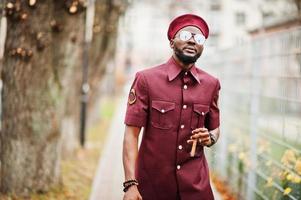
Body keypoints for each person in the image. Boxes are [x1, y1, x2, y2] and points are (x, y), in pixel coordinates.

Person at [122, 14, 221, 200]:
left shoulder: (212, 84)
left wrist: (209, 138)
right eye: (185, 36)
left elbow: (215, 130)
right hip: (152, 187)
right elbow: (131, 135)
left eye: (198, 39)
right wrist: (130, 184)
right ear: (171, 42)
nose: (192, 42)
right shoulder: (146, 80)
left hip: (196, 188)